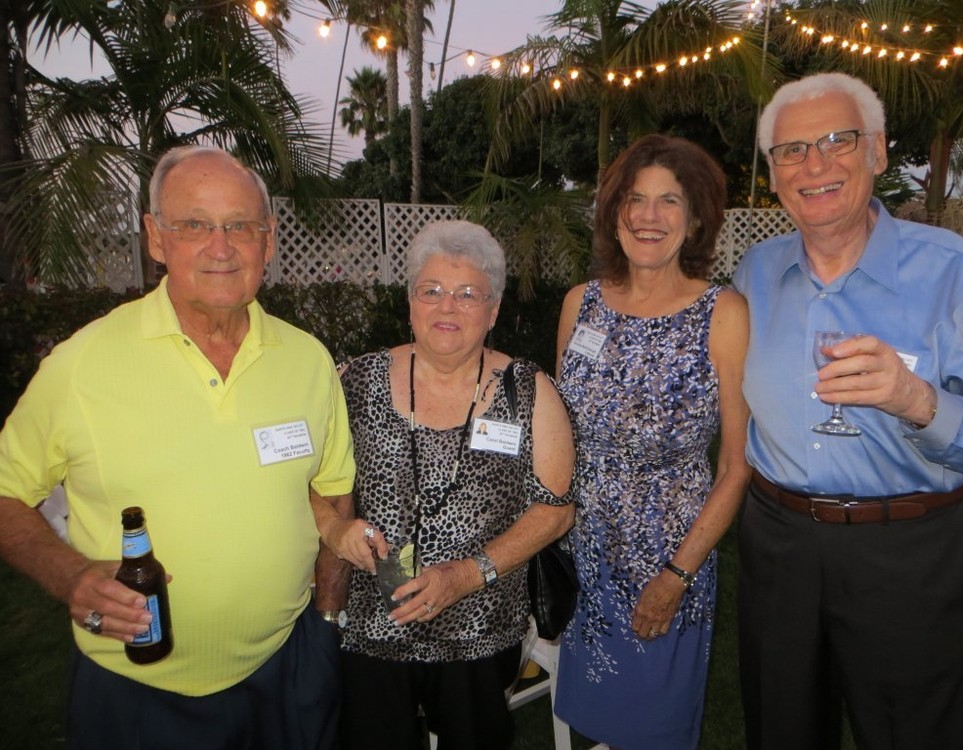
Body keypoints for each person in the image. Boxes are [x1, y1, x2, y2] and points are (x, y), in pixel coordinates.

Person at [0, 145, 369, 749]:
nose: (221, 247)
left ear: (268, 241)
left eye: (240, 226)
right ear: (155, 237)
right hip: (136, 690)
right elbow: (5, 493)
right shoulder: (82, 365)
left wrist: (327, 619)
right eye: (194, 224)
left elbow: (332, 491)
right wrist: (70, 576)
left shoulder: (308, 360)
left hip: (285, 669)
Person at [733, 72, 963, 750]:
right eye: (792, 150)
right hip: (779, 545)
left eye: (837, 140)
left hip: (910, 552)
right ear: (773, 174)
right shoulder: (754, 273)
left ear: (878, 151)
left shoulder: (954, 272)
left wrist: (918, 401)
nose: (814, 164)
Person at [331, 219, 576, 750]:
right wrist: (336, 530)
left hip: (479, 627)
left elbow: (556, 510)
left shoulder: (527, 389)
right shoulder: (355, 381)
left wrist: (466, 574)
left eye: (468, 294)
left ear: (493, 311)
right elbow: (313, 482)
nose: (448, 306)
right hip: (373, 624)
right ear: (410, 303)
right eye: (432, 290)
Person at [553, 134, 751, 749]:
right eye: (635, 199)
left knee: (654, 729)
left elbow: (736, 465)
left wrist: (675, 576)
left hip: (667, 560)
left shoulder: (723, 313)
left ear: (695, 220)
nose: (649, 215)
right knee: (587, 727)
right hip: (583, 555)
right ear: (614, 213)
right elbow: (559, 434)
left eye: (669, 201)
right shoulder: (580, 304)